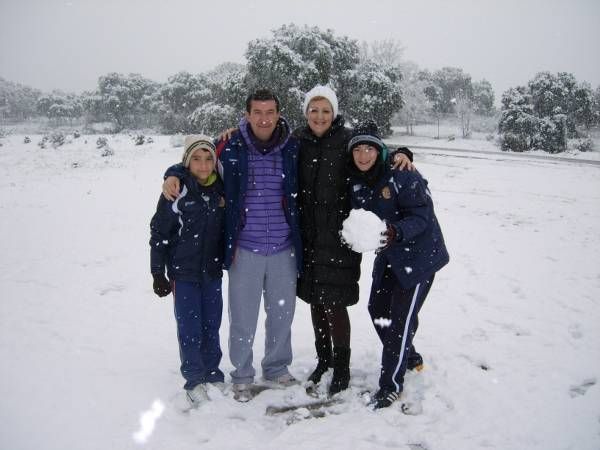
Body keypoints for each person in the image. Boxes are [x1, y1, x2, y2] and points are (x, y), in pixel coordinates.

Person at [162, 89, 302, 402]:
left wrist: (401, 154)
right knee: (242, 316)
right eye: (257, 112)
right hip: (245, 248)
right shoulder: (229, 144)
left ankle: (277, 367)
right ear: (247, 114)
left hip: (283, 246)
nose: (264, 118)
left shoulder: (294, 146)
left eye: (270, 112)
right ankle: (241, 374)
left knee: (281, 315)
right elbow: (197, 162)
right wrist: (172, 173)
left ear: (279, 113)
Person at [294, 86, 414, 396]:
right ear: (306, 112)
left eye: (325, 110)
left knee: (334, 303)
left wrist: (402, 155)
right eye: (314, 110)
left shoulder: (347, 139)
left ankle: (342, 367)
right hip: (308, 236)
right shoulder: (298, 140)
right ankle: (324, 360)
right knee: (315, 301)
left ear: (334, 113)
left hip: (340, 237)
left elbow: (373, 153)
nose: (319, 116)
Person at [346, 121, 449, 409]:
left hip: (419, 258)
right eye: (358, 149)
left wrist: (395, 231)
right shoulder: (356, 180)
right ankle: (409, 355)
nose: (363, 155)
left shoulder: (402, 174)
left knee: (399, 321)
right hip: (390, 255)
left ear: (380, 150)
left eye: (369, 148)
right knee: (377, 310)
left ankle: (390, 385)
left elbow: (422, 217)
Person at [149, 135, 226, 408]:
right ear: (186, 162)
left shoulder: (220, 190)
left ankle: (212, 372)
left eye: (208, 159)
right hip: (184, 275)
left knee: (211, 326)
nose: (203, 165)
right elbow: (159, 233)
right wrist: (158, 272)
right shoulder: (176, 190)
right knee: (190, 328)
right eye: (196, 159)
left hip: (212, 272)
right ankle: (194, 380)